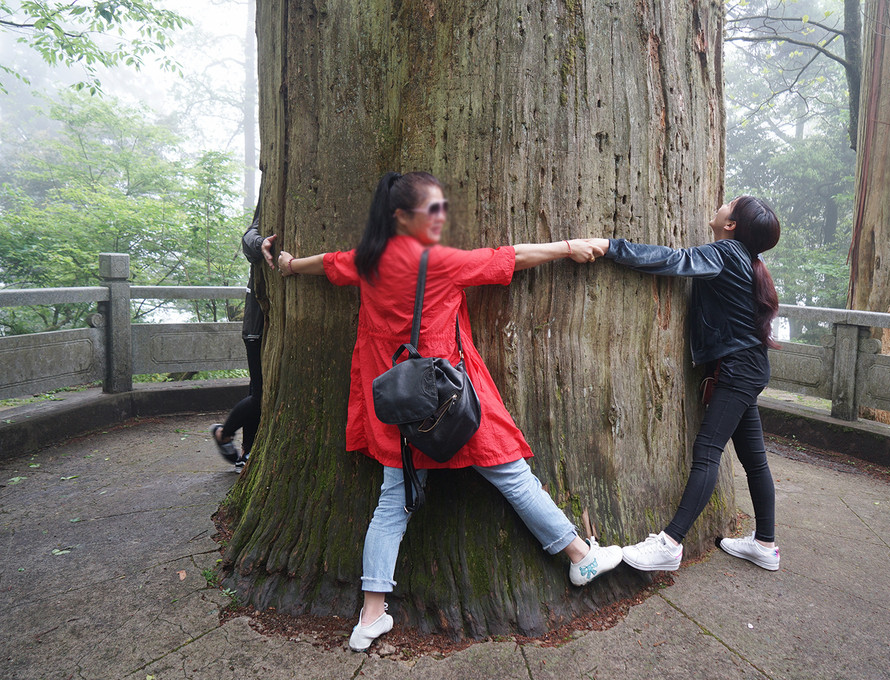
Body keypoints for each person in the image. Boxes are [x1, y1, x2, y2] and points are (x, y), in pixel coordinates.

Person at [275, 171, 622, 652]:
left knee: (393, 502)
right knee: (514, 478)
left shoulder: (367, 260)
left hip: (398, 405)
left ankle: (370, 615)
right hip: (452, 398)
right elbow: (512, 257)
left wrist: (290, 266)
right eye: (430, 210)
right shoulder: (436, 262)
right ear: (401, 217)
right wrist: (569, 245)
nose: (441, 218)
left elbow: (327, 264)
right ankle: (580, 556)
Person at [590, 196, 782, 573]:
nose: (720, 204)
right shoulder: (744, 258)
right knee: (754, 460)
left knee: (708, 448)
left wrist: (612, 248)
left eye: (729, 204)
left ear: (732, 225)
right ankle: (765, 544)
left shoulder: (726, 252)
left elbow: (675, 261)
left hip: (739, 368)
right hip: (750, 366)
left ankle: (670, 544)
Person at [210, 205, 276, 472]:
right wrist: (261, 243)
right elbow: (249, 239)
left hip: (273, 327)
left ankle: (247, 453)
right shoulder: (264, 219)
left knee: (256, 390)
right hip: (257, 326)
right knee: (260, 394)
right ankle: (224, 434)